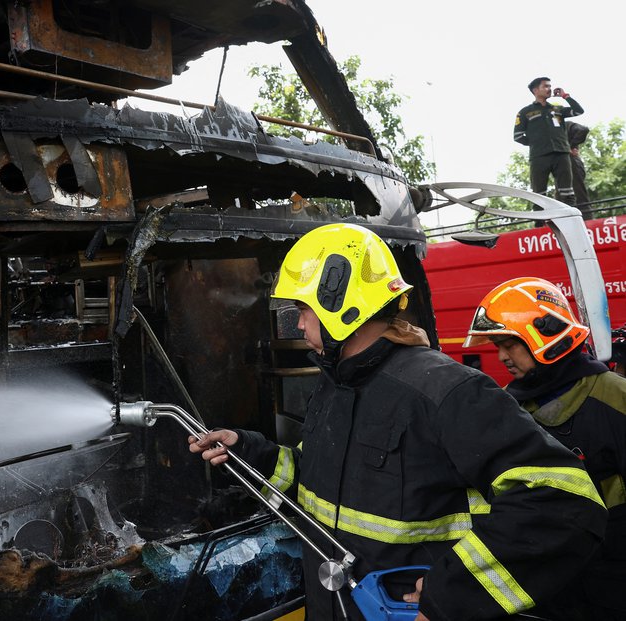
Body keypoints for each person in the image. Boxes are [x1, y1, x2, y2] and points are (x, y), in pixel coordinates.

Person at [188, 223, 606, 621]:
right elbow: (320, 483)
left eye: (303, 309)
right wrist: (247, 451)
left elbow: (563, 500)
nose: (298, 323)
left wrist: (452, 596)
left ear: (340, 303)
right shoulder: (334, 387)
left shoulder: (446, 389)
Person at [465, 277, 626, 620]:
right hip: (545, 592)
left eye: (510, 343)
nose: (502, 356)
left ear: (547, 333)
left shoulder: (614, 398)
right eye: (498, 346)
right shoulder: (507, 407)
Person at [513, 77, 584, 205]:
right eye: (545, 86)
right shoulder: (525, 112)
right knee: (539, 197)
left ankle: (569, 223)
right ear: (535, 90)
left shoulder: (558, 110)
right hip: (539, 157)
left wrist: (565, 96)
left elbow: (579, 110)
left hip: (561, 154)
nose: (549, 89)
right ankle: (540, 224)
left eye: (550, 86)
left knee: (567, 194)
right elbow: (517, 136)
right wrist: (537, 143)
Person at [567, 122, 591, 212]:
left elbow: (583, 129)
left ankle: (587, 219)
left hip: (571, 160)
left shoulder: (566, 125)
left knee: (578, 192)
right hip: (560, 163)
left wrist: (569, 146)